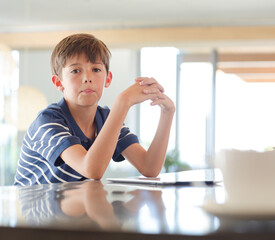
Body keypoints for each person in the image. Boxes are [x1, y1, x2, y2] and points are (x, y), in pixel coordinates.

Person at [14, 33, 175, 186]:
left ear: (108, 78)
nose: (87, 78)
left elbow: (149, 168)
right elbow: (92, 170)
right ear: (58, 82)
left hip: (68, 209)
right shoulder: (47, 121)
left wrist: (167, 113)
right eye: (76, 70)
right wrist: (123, 102)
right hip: (30, 211)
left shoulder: (106, 118)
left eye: (96, 70)